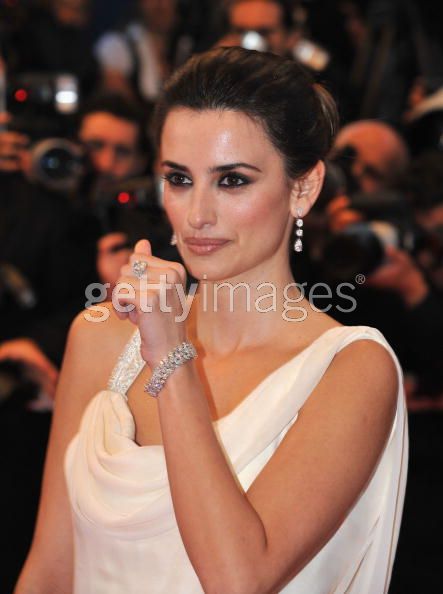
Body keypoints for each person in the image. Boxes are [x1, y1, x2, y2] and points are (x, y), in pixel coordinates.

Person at [15, 47, 408, 594]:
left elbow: (237, 579)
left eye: (232, 181)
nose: (197, 215)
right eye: (179, 179)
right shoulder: (101, 337)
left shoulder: (351, 370)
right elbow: (49, 571)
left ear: (304, 188)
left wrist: (170, 356)